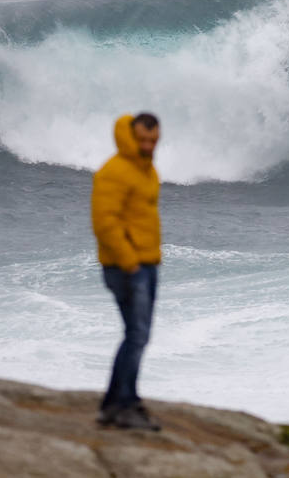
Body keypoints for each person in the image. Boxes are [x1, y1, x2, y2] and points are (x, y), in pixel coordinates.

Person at [91, 112, 163, 431]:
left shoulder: (145, 169)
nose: (149, 145)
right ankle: (123, 405)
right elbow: (104, 223)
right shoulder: (114, 171)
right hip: (127, 268)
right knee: (137, 335)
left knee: (137, 335)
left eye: (153, 140)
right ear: (131, 137)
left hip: (146, 263)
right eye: (143, 140)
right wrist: (130, 262)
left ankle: (115, 403)